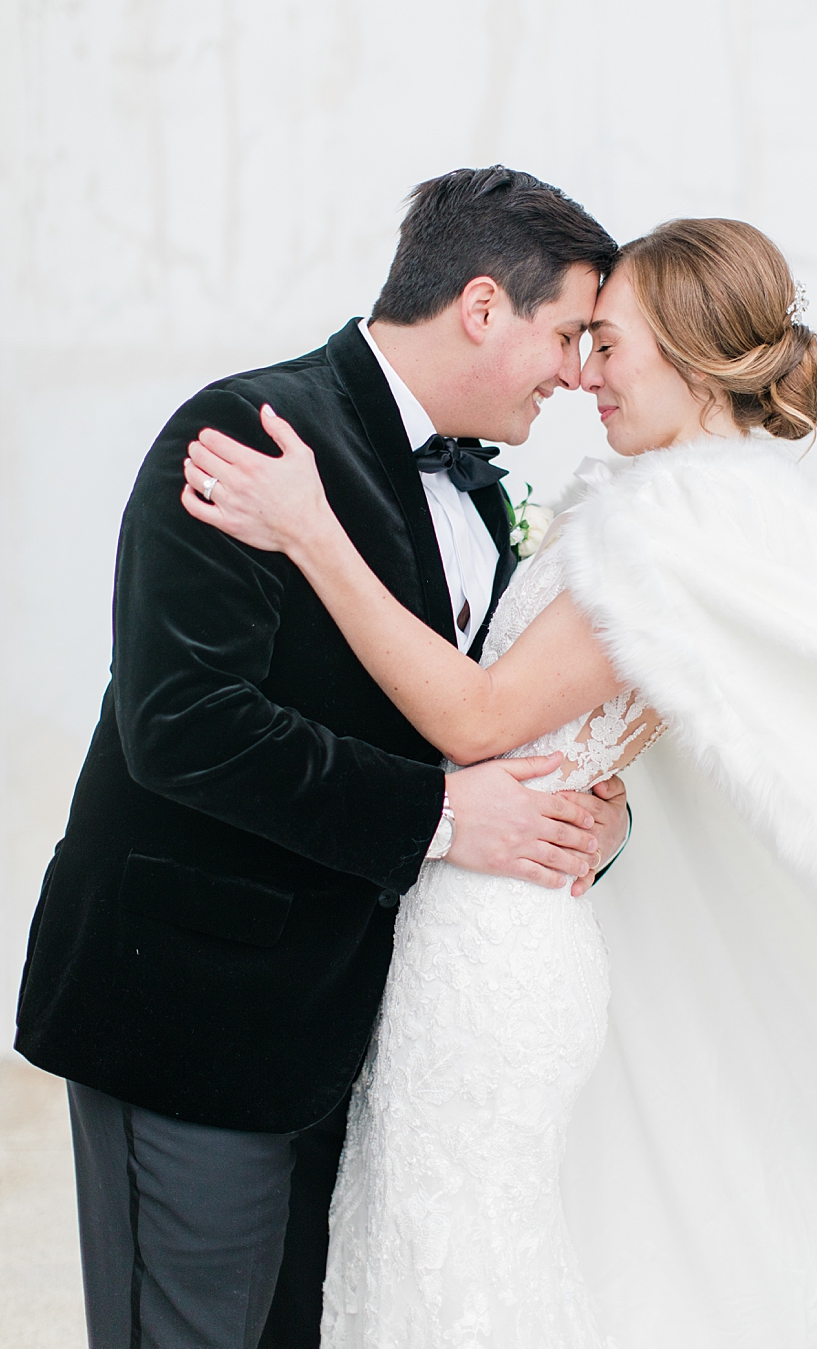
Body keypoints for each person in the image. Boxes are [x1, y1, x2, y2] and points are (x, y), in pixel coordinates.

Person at [184, 217, 817, 1347]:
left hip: (498, 948)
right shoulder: (712, 515)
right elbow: (633, 728)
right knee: (449, 1246)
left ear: (683, 353)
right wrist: (610, 799)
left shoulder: (667, 529)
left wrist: (310, 529)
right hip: (491, 916)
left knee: (461, 1263)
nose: (584, 375)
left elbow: (475, 717)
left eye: (607, 344)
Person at [14, 166, 631, 1349]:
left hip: (369, 1039)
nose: (575, 372)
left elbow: (500, 714)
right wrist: (447, 817)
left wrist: (599, 821)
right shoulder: (250, 434)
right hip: (199, 1013)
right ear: (484, 306)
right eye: (566, 335)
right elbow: (186, 725)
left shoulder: (487, 488)